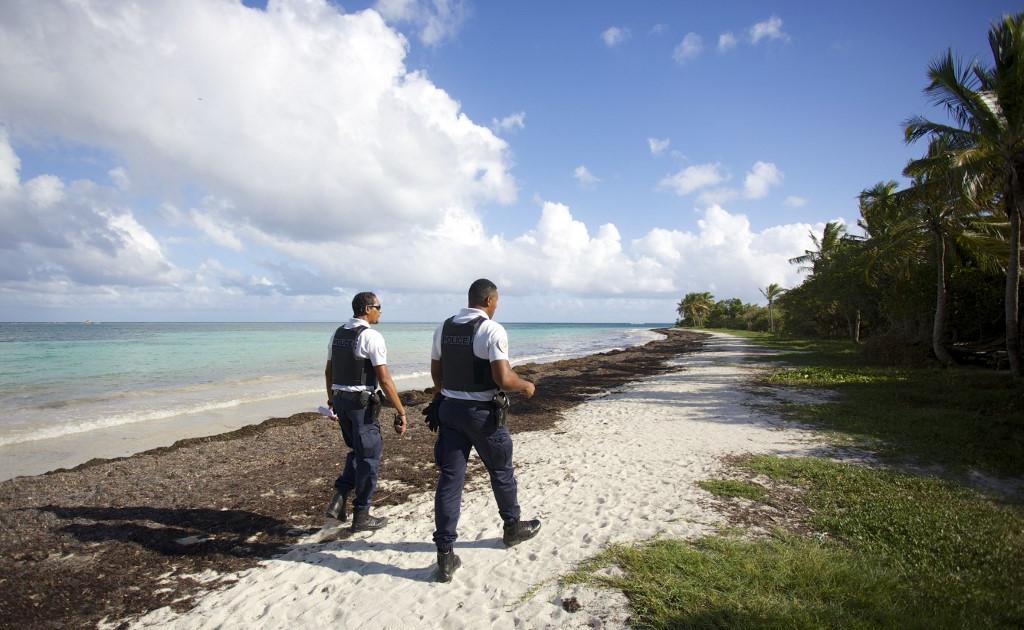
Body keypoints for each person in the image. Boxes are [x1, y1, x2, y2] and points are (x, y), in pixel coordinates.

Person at [428, 278, 541, 582]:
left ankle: (445, 553)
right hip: (482, 415)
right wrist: (525, 385)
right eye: (497, 301)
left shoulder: (445, 327)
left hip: (449, 411)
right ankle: (512, 527)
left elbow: (436, 373)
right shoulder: (492, 329)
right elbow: (503, 378)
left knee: (450, 480)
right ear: (490, 300)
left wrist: (451, 394)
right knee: (501, 471)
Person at [323, 292, 407, 531]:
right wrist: (401, 411)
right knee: (369, 458)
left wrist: (331, 398)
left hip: (341, 400)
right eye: (379, 307)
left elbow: (328, 371)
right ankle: (362, 515)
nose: (381, 311)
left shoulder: (338, 333)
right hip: (360, 404)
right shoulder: (371, 337)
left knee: (356, 451)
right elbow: (385, 379)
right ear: (368, 308)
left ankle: (340, 498)